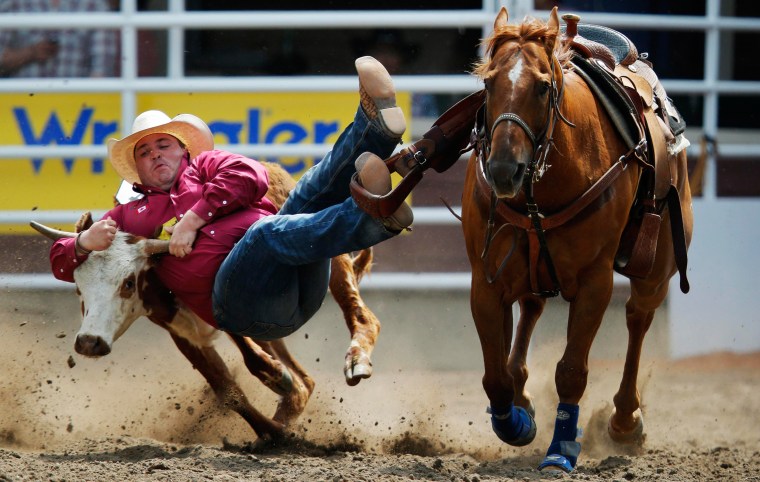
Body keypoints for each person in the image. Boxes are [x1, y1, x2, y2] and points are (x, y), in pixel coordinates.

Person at [49, 56, 412, 340]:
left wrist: (191, 220)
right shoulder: (127, 216)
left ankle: (374, 129)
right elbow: (61, 264)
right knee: (264, 233)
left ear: (183, 151)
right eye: (144, 152)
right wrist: (82, 242)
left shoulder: (208, 164)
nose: (156, 155)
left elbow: (252, 177)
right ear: (136, 169)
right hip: (242, 307)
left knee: (309, 190)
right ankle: (373, 216)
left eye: (164, 145)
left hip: (291, 279)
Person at [0, 0, 118, 78]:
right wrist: (31, 53)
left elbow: (102, 69)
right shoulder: (13, 4)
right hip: (19, 102)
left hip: (77, 104)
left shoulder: (95, 6)